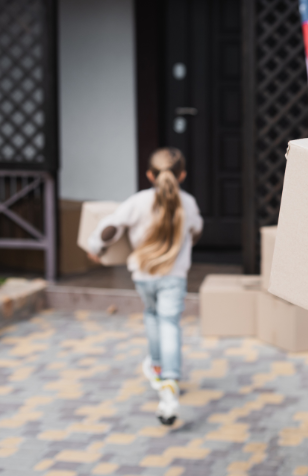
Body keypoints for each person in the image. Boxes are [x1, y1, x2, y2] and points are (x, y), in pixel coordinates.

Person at [87, 147, 203, 426]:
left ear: (149, 174)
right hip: (174, 276)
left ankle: (157, 366)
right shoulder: (188, 203)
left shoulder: (138, 202)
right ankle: (170, 384)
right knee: (169, 324)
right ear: (182, 175)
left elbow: (110, 227)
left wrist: (96, 249)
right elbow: (196, 231)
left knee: (152, 316)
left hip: (144, 275)